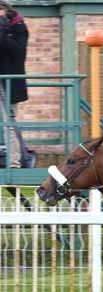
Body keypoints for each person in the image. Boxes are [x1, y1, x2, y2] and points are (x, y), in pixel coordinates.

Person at [0, 0, 28, 168]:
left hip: (9, 84)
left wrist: (2, 28)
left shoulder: (18, 27)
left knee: (8, 124)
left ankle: (14, 163)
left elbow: (19, 53)